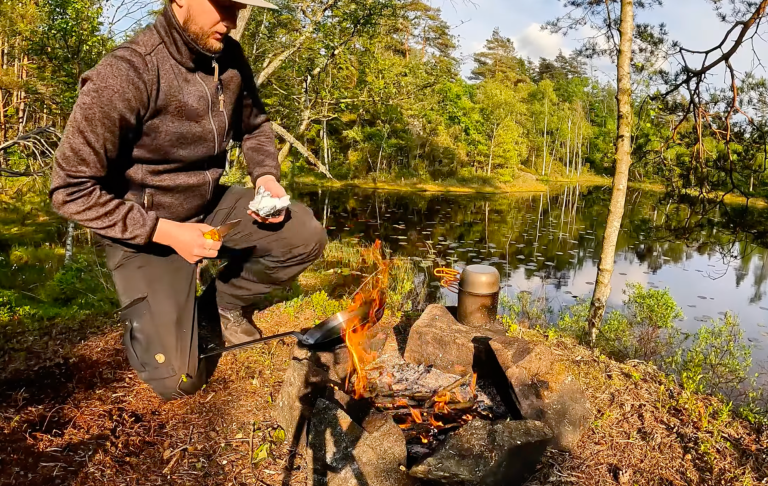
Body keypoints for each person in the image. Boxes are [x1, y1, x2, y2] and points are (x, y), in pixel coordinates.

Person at [49, 0, 327, 401]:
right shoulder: (127, 72)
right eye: (222, 4)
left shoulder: (229, 58)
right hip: (145, 229)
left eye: (238, 7)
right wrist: (167, 233)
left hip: (208, 205)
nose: (230, 20)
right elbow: (69, 190)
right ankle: (157, 314)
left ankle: (222, 305)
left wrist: (266, 177)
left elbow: (254, 126)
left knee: (303, 234)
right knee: (178, 381)